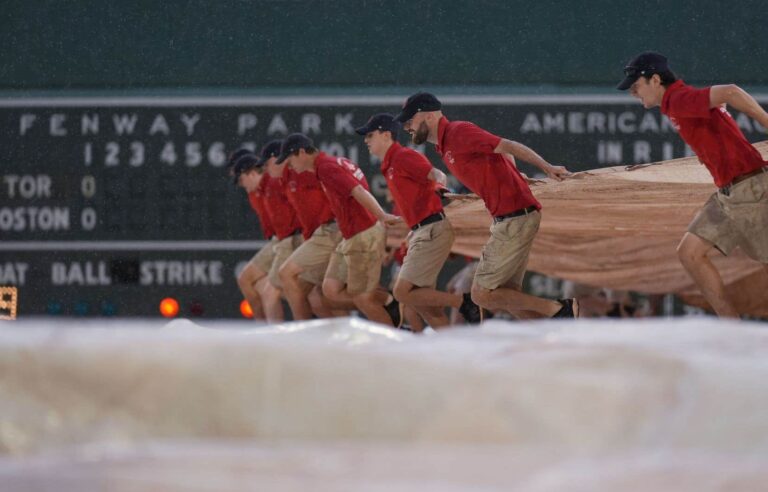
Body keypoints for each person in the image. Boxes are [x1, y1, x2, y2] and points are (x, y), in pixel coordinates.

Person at [394, 92, 579, 319]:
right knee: (507, 296)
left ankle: (560, 309)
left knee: (481, 295)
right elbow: (500, 152)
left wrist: (546, 166)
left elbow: (507, 145)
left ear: (429, 116)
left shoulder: (458, 132)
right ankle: (552, 337)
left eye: (410, 120)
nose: (406, 127)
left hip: (513, 218)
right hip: (515, 217)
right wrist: (513, 173)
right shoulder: (444, 145)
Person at [617, 51, 768, 318]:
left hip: (750, 189)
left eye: (635, 86)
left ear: (654, 79)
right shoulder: (677, 103)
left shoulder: (679, 98)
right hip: (729, 192)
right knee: (690, 253)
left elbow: (731, 92)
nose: (633, 92)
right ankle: (732, 329)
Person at [355, 113, 483, 327]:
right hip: (423, 230)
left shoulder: (403, 156)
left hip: (432, 229)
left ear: (386, 135)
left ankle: (462, 301)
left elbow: (437, 174)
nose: (366, 140)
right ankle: (450, 350)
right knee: (426, 308)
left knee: (402, 292)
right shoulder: (389, 164)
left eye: (370, 135)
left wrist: (441, 188)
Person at [276, 133, 400, 327]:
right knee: (331, 290)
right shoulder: (330, 164)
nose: (289, 166)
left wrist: (382, 216)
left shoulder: (326, 167)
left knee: (363, 299)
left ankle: (393, 343)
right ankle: (388, 301)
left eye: (290, 159)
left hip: (363, 233)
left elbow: (358, 190)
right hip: (351, 235)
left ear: (301, 152)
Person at [230, 152, 283, 322]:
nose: (240, 184)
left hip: (287, 239)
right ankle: (264, 330)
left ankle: (270, 334)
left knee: (264, 288)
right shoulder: (256, 192)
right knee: (255, 284)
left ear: (251, 173)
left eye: (240, 179)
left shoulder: (273, 185)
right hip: (279, 240)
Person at [259, 140, 304, 298]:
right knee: (282, 284)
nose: (265, 168)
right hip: (295, 237)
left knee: (319, 291)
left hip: (302, 236)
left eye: (267, 163)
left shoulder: (296, 176)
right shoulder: (279, 179)